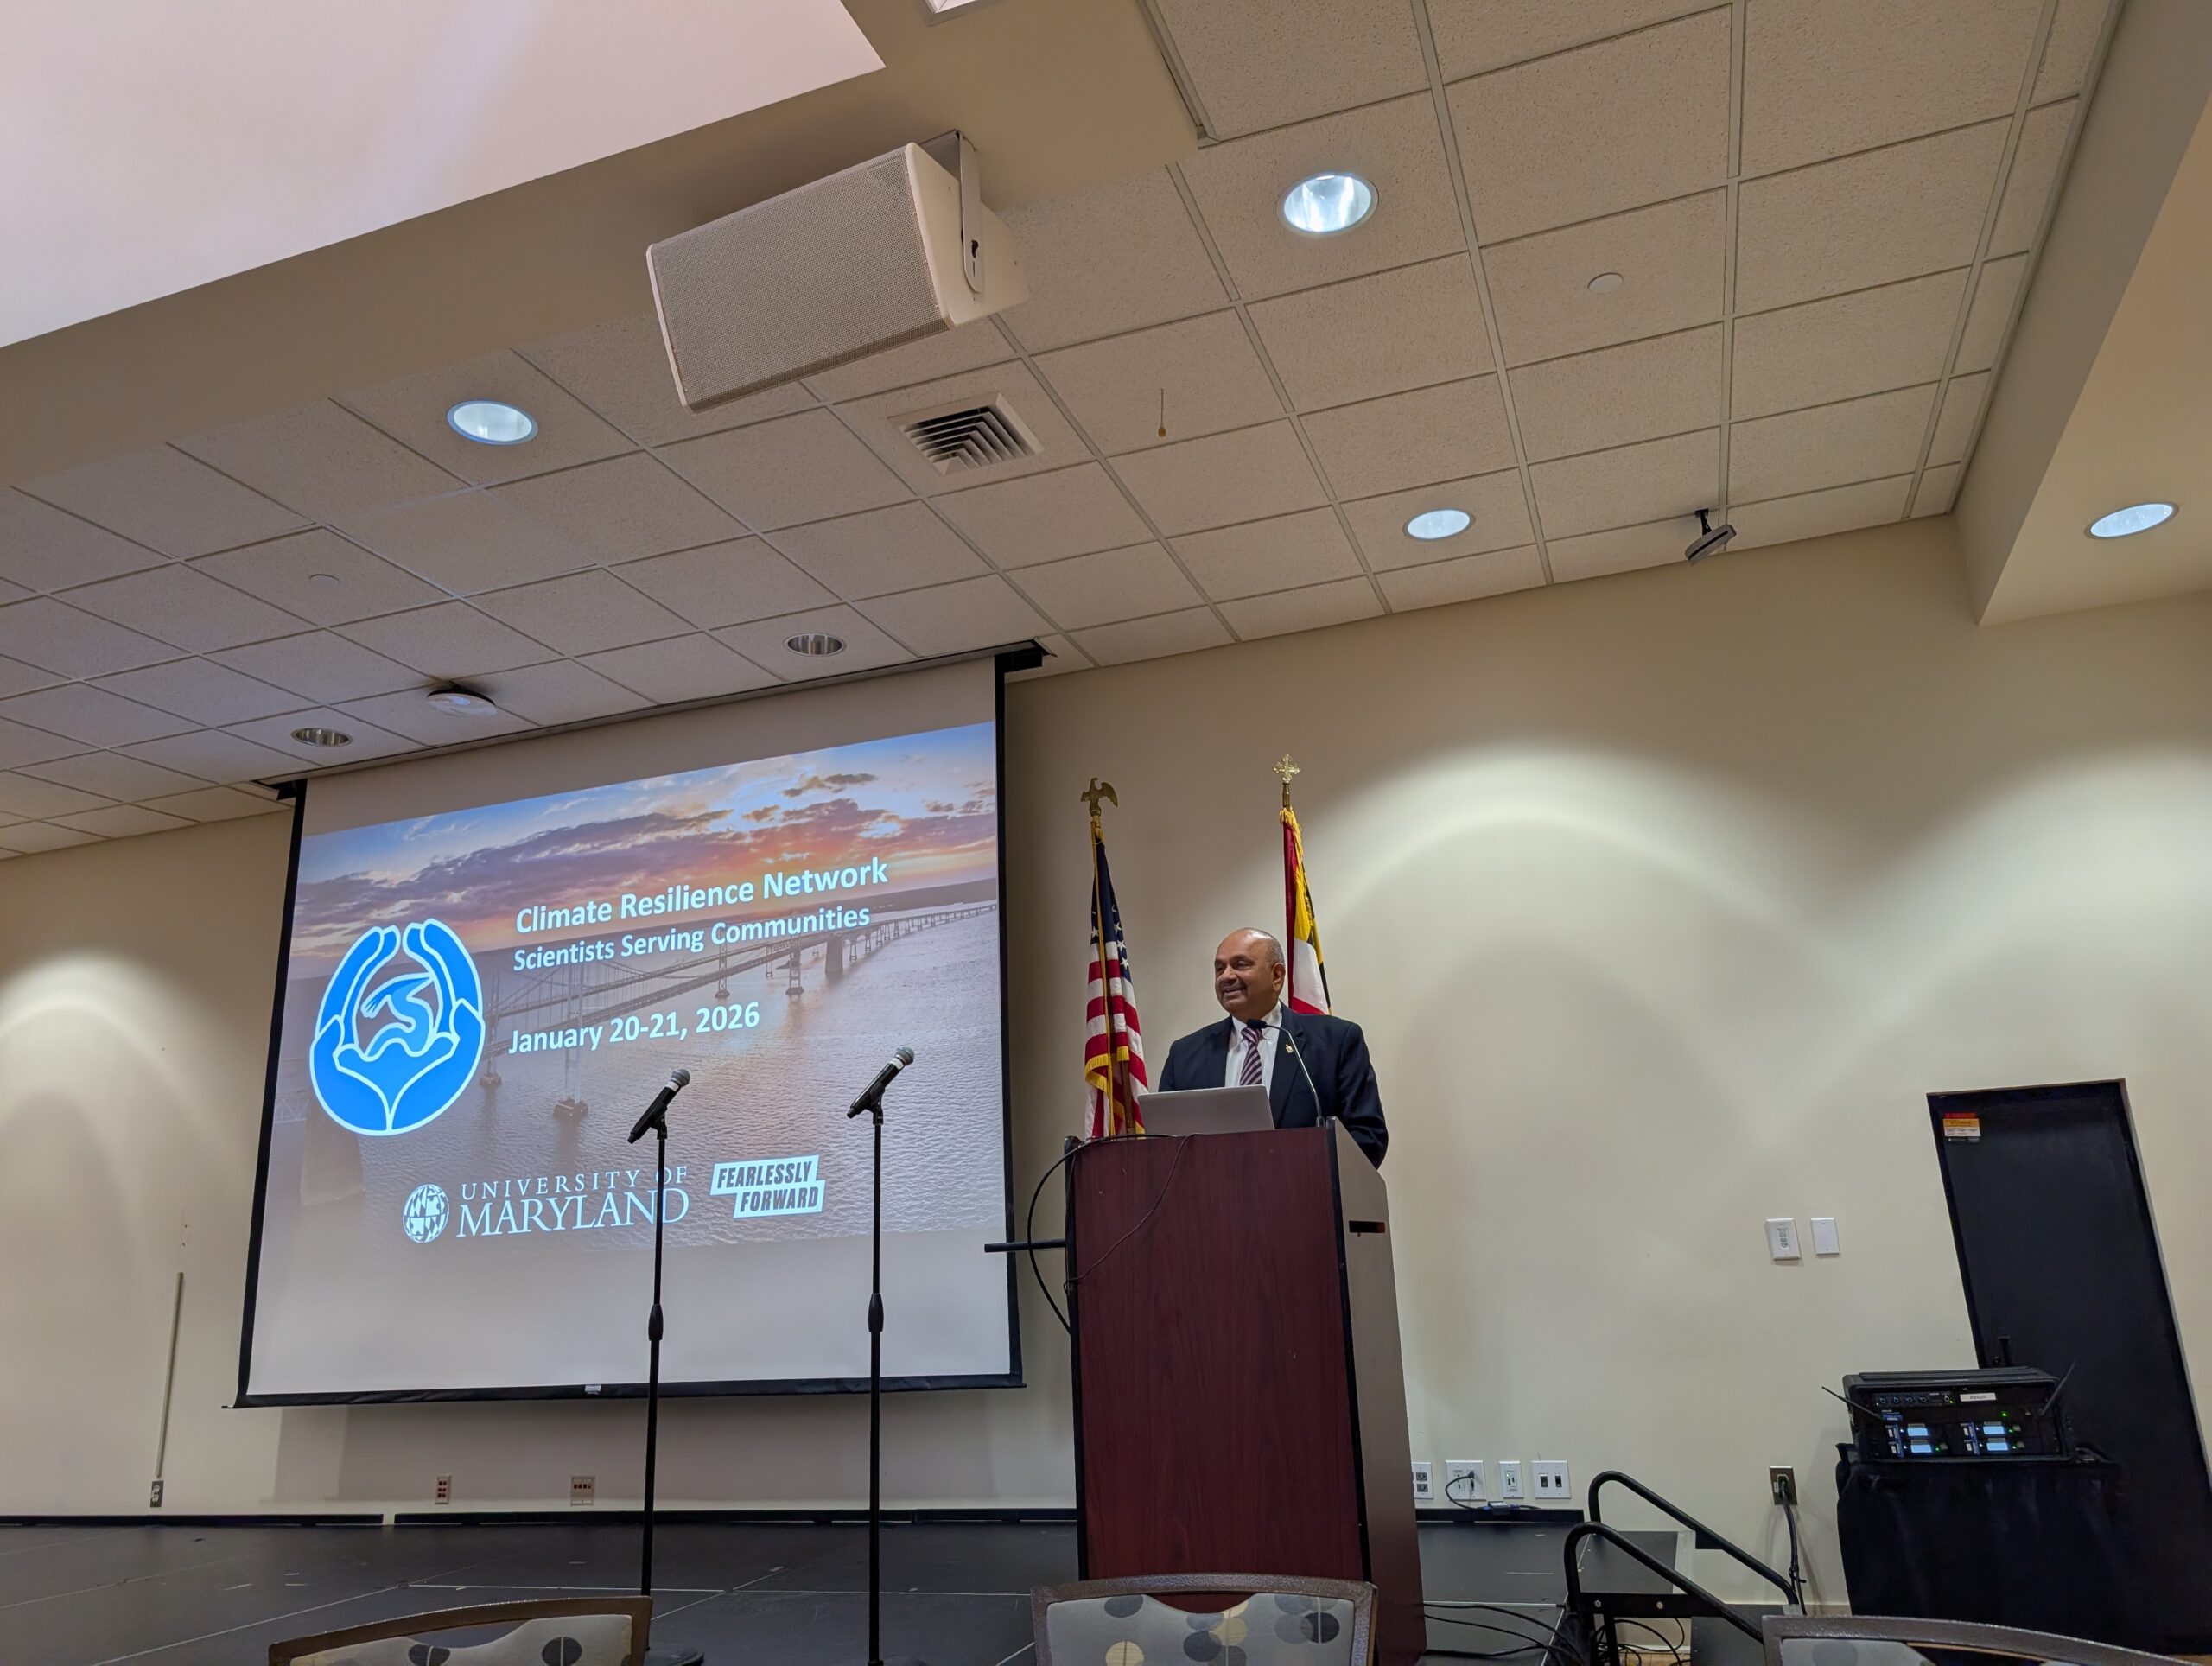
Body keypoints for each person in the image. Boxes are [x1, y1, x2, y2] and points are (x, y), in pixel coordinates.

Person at [1154, 927, 1388, 1167]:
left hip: (1306, 1188)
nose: (1226, 976)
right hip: (1211, 1190)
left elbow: (1367, 1137)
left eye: (1240, 965)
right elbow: (1162, 1147)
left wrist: (1305, 1173)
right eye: (1219, 968)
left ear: (1277, 976)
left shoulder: (1335, 1041)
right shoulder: (1184, 1055)